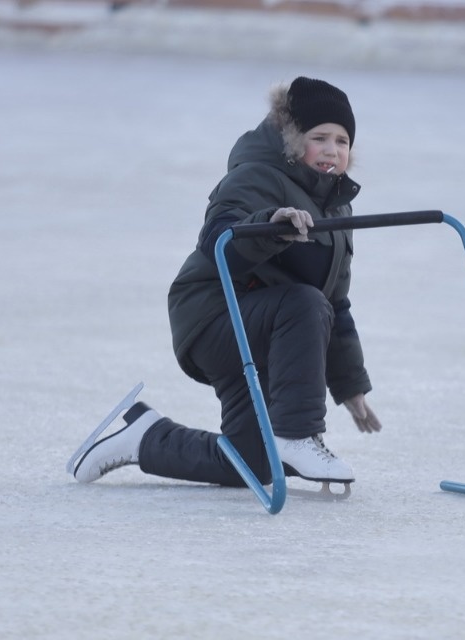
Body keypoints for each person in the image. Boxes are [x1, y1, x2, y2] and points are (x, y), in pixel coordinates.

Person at [71, 77, 381, 487]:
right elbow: (218, 236)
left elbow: (335, 304)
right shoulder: (257, 176)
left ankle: (144, 437)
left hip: (269, 338)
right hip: (215, 316)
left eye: (342, 141)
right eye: (318, 137)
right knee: (304, 303)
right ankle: (299, 434)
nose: (331, 150)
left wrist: (350, 387)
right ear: (290, 139)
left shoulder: (337, 209)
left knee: (256, 463)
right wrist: (271, 227)